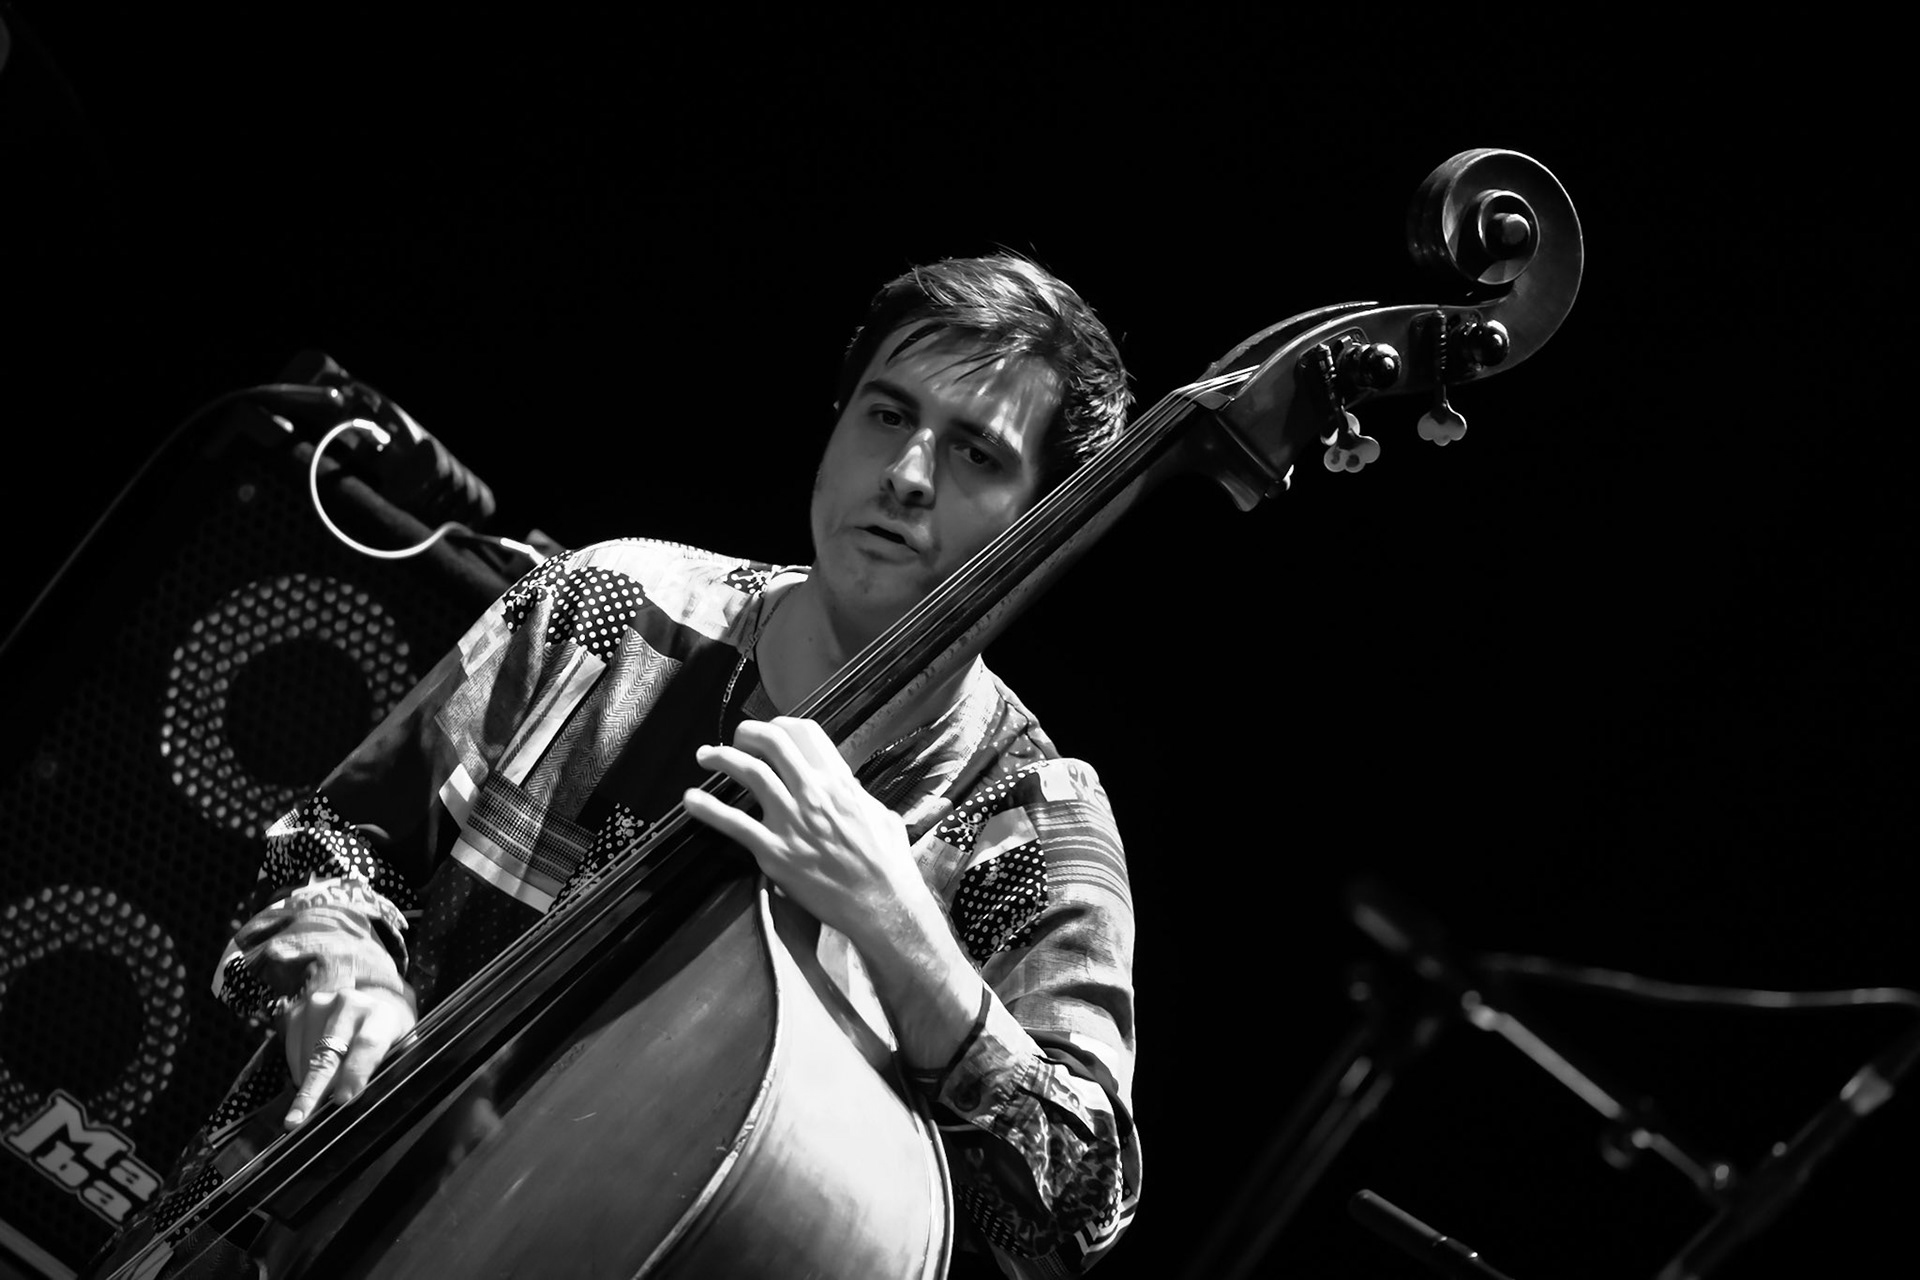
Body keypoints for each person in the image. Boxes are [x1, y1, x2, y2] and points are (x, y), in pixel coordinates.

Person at [102, 253, 1141, 1278]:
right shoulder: (608, 606)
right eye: (885, 414)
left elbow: (1075, 1214)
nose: (907, 474)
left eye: (975, 454)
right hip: (257, 1238)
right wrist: (343, 959)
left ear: (1046, 524)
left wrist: (902, 933)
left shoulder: (1031, 820)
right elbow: (327, 843)